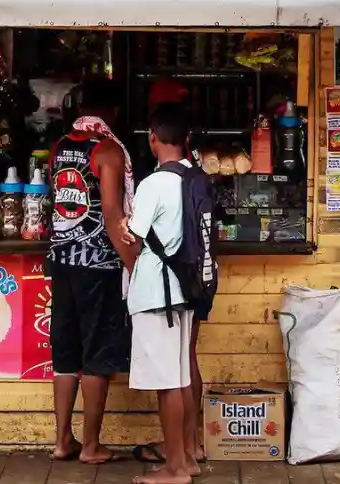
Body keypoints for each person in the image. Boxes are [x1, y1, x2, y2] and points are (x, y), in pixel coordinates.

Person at [48, 77, 138, 464]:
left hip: (62, 263)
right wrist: (134, 264)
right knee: (97, 355)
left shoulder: (60, 146)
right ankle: (91, 446)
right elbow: (113, 214)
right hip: (98, 266)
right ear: (112, 111)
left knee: (66, 355)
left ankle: (62, 441)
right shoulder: (108, 151)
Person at [126, 103, 201, 484]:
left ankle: (175, 470)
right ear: (186, 140)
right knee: (181, 377)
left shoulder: (153, 184)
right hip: (184, 292)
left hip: (158, 295)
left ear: (152, 139)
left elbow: (132, 237)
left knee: (168, 384)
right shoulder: (192, 177)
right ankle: (186, 458)